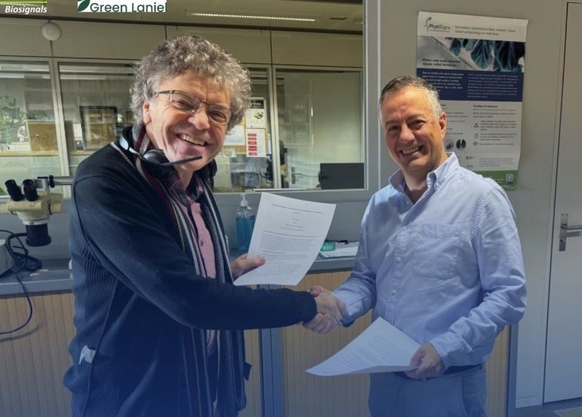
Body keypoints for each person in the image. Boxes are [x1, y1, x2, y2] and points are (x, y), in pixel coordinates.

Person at [63, 34, 344, 417]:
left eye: (217, 113)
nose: (200, 122)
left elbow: (175, 269)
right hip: (135, 397)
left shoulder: (195, 175)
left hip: (205, 384)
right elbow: (186, 298)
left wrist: (224, 274)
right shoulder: (107, 181)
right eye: (183, 101)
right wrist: (303, 305)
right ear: (147, 107)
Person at [306, 75, 527, 417]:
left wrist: (444, 347)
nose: (405, 137)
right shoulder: (380, 204)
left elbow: (508, 295)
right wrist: (338, 304)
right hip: (385, 379)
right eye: (393, 128)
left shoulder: (482, 199)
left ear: (442, 123)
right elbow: (367, 279)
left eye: (416, 123)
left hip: (447, 383)